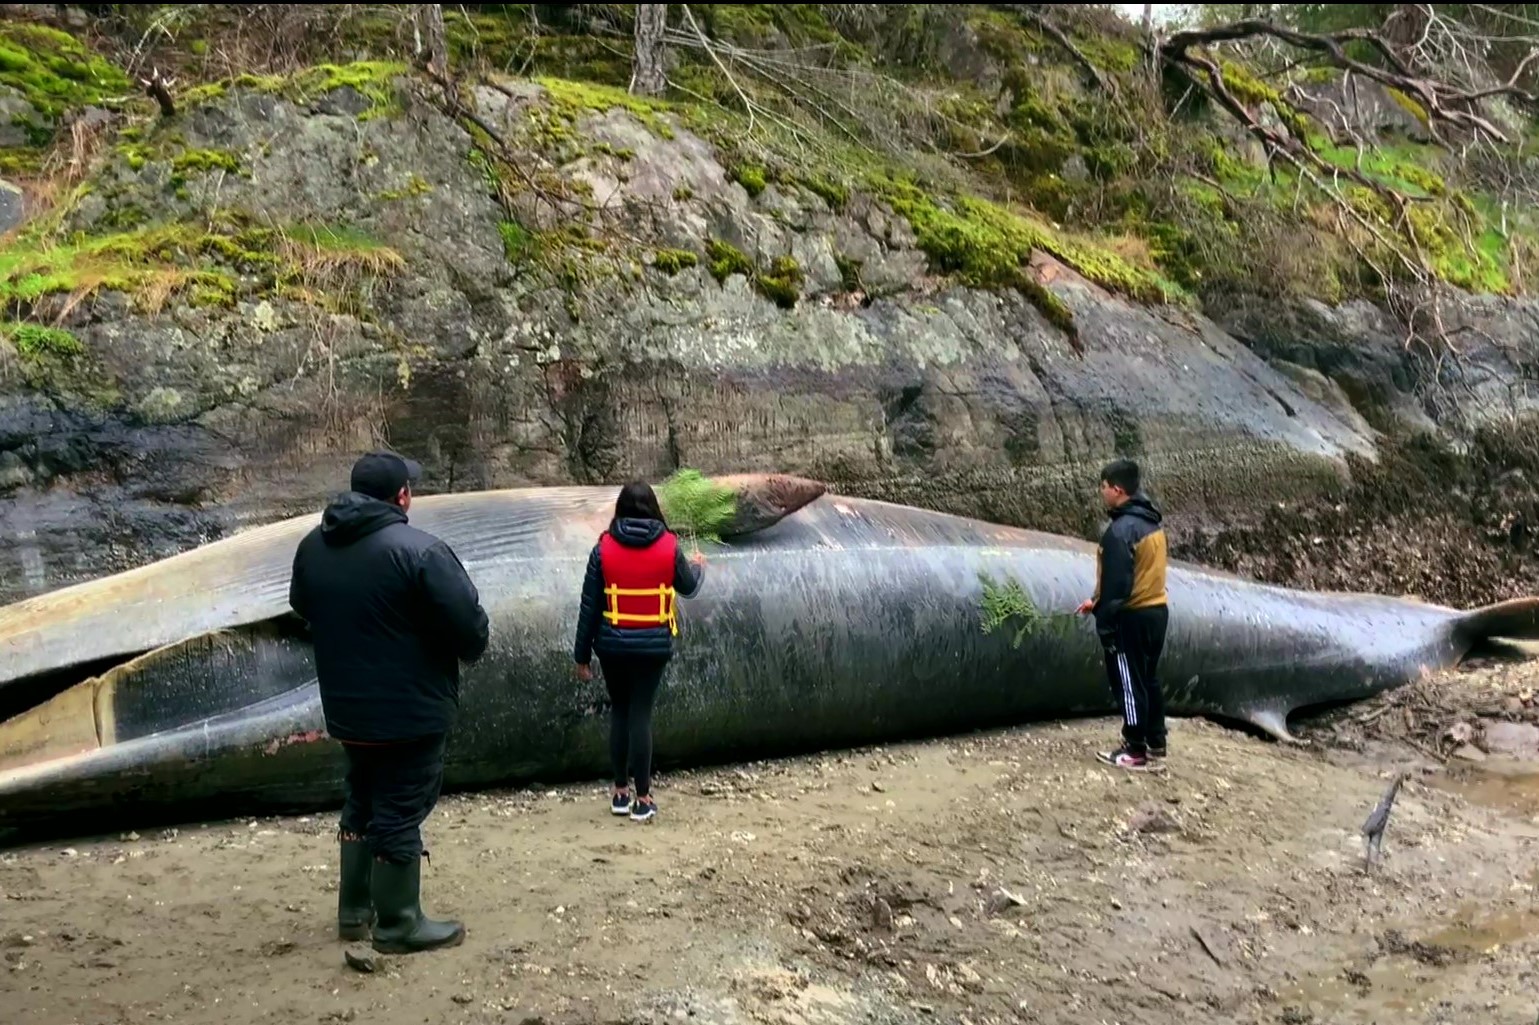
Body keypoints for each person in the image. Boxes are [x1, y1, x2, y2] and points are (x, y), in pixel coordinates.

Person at [288, 450, 490, 954]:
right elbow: (470, 627)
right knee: (400, 808)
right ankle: (399, 924)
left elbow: (301, 606)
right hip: (410, 709)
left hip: (347, 708)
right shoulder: (421, 551)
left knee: (361, 800)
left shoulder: (313, 546)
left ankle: (354, 911)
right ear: (402, 496)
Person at [572, 480, 706, 823]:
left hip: (612, 645)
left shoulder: (602, 550)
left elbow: (589, 607)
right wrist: (699, 566)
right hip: (652, 646)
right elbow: (688, 588)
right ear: (654, 508)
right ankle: (643, 799)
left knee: (620, 711)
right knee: (640, 715)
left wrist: (582, 656)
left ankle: (620, 793)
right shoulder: (669, 546)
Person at [1076, 458, 1169, 771]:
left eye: (1103, 487)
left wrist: (1106, 626)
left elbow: (1118, 586)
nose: (1101, 492)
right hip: (1157, 611)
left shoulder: (1119, 531)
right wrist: (1095, 600)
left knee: (1128, 683)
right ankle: (1157, 745)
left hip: (1132, 616)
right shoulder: (1151, 523)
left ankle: (1134, 749)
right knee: (1148, 680)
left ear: (1117, 489)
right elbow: (1139, 574)